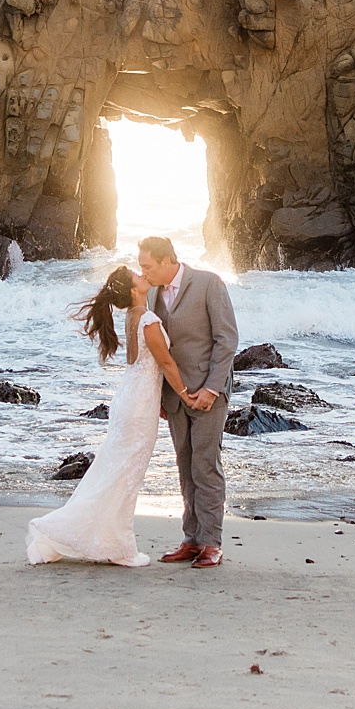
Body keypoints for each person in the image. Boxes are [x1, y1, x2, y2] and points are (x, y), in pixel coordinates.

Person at [24, 265, 167, 565]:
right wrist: (187, 393)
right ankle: (119, 548)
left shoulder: (133, 316)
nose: (144, 275)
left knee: (115, 473)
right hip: (138, 405)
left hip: (132, 399)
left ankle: (109, 542)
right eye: (138, 276)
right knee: (124, 475)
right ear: (132, 290)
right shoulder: (148, 319)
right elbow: (164, 364)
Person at [133, 235, 238, 568]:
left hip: (208, 394)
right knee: (185, 465)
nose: (143, 271)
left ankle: (212, 543)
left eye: (147, 265)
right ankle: (191, 539)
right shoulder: (151, 293)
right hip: (175, 396)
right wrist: (161, 395)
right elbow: (156, 349)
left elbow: (227, 340)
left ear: (167, 261)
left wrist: (212, 388)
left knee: (205, 466)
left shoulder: (209, 284)